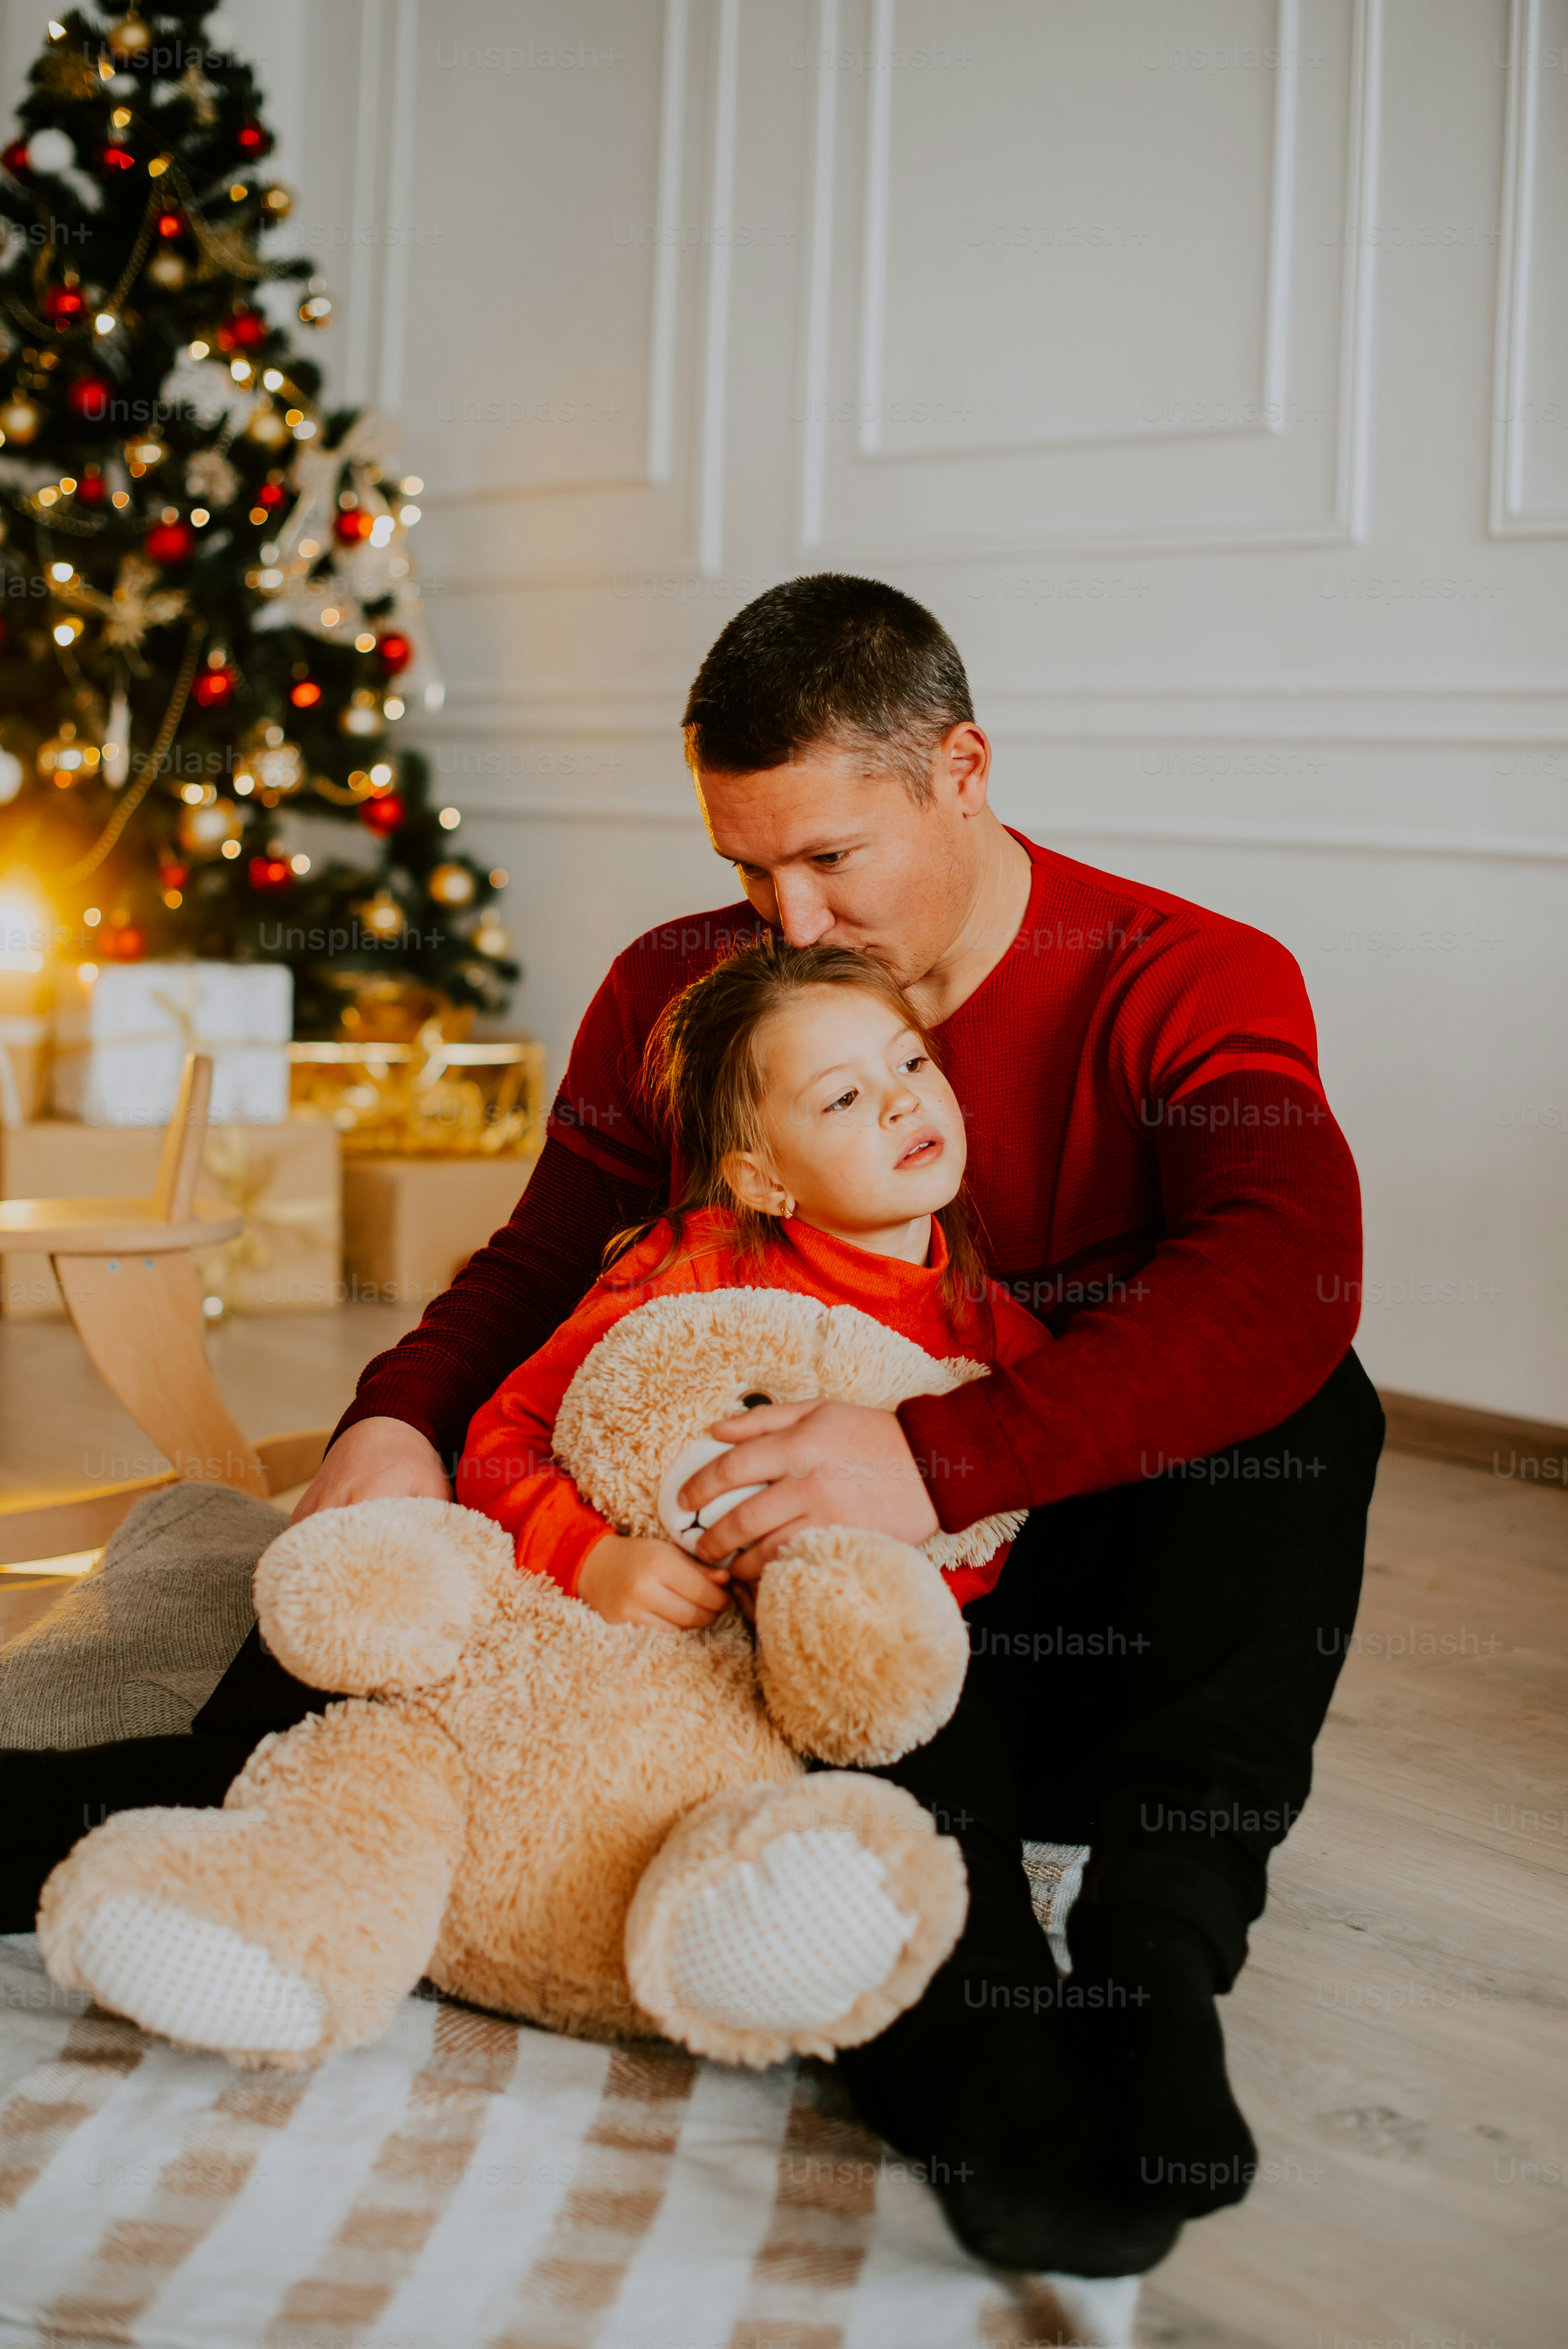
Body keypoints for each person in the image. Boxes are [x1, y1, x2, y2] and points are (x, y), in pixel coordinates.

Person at [3, 575, 1382, 2280]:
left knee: (1314, 1401)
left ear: (962, 768)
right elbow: (534, 1262)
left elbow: (1288, 1271)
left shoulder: (1180, 975)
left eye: (828, 858)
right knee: (320, 1696)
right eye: (746, 864)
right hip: (729, 1603)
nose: (785, 919)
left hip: (1034, 1609)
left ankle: (1151, 1946)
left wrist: (933, 1461)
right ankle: (228, 1840)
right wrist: (393, 1422)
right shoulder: (688, 987)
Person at [457, 935, 1044, 1624]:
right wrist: (590, 1558)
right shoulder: (692, 1270)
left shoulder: (1002, 1342)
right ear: (763, 1181)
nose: (903, 1101)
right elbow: (504, 1436)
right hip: (649, 1626)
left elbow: (989, 1539)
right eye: (844, 1098)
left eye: (911, 1060)